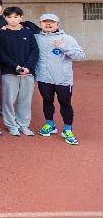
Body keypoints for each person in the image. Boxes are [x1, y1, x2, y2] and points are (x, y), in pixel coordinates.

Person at [34, 13, 85, 144]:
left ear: (57, 24)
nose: (48, 24)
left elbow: (80, 56)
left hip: (63, 79)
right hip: (44, 78)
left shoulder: (67, 38)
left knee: (65, 103)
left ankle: (67, 130)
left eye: (52, 22)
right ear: (40, 24)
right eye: (45, 21)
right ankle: (50, 125)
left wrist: (62, 47)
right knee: (47, 101)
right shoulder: (36, 38)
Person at [0, 7, 39, 136]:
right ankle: (11, 125)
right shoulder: (0, 34)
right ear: (5, 18)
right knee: (8, 101)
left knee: (25, 100)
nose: (13, 20)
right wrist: (16, 66)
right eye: (9, 17)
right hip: (9, 72)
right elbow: (0, 53)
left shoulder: (28, 33)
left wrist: (28, 67)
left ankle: (23, 125)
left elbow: (34, 51)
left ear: (21, 17)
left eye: (16, 17)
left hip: (28, 73)